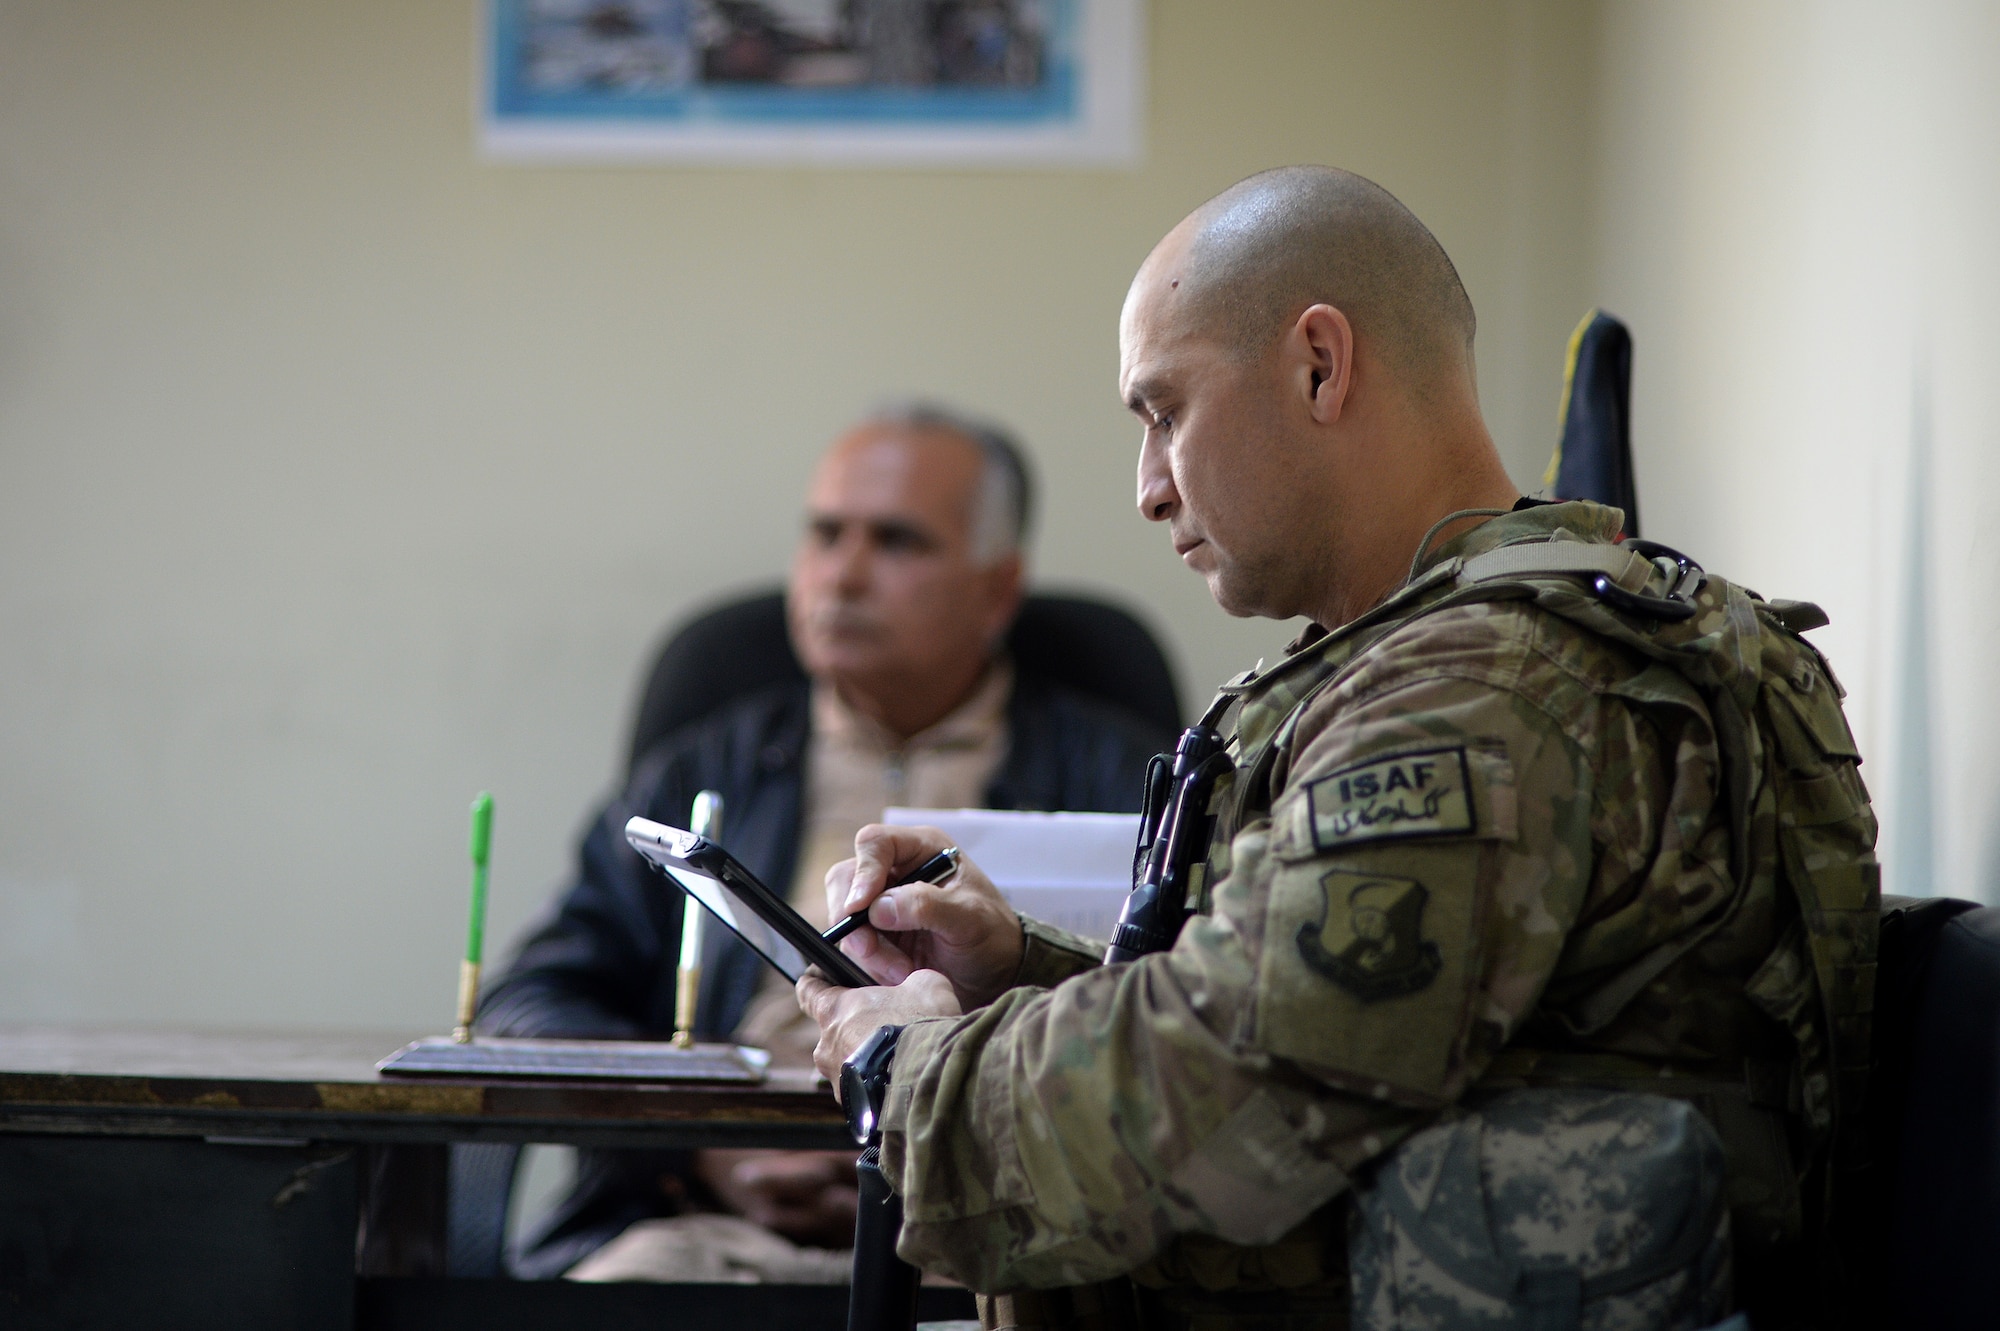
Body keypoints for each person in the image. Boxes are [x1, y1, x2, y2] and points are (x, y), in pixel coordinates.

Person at [800, 167, 1877, 1329]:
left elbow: (1230, 1090)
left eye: (1165, 411)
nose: (1148, 488)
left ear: (1318, 364)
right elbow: (1361, 1029)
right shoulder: (1461, 654)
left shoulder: (1482, 692)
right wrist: (1013, 967)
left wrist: (901, 1067)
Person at [480, 404, 1173, 1279]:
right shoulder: (707, 765)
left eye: (896, 541)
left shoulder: (1118, 775)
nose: (841, 576)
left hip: (990, 1240)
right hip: (706, 1230)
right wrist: (698, 1146)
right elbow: (533, 1000)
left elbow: (1164, 1014)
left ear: (997, 590)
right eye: (824, 533)